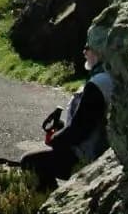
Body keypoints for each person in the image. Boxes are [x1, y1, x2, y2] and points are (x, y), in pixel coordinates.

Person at [22, 43, 114, 189]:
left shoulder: (100, 82)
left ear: (100, 51)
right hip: (95, 150)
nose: (84, 52)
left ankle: (48, 205)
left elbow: (80, 129)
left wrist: (56, 138)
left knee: (30, 162)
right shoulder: (105, 78)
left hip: (90, 156)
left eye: (88, 47)